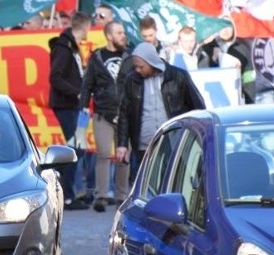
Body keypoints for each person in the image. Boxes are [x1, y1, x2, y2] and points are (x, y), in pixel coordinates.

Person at [116, 42, 205, 169]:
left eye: (141, 66)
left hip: (175, 139)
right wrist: (122, 144)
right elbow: (124, 113)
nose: (137, 70)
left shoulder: (177, 76)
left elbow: (198, 107)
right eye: (135, 67)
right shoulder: (132, 81)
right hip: (145, 144)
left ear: (151, 62)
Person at [80, 20, 131, 212]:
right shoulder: (98, 57)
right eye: (119, 33)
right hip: (103, 112)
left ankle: (121, 196)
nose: (123, 35)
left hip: (125, 113)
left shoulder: (130, 56)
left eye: (123, 32)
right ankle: (101, 195)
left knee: (123, 155)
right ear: (109, 36)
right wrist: (83, 107)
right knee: (102, 155)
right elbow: (87, 84)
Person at [49, 11, 92, 210]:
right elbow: (55, 77)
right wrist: (76, 93)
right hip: (66, 105)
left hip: (72, 106)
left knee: (78, 148)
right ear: (84, 27)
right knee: (74, 150)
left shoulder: (70, 48)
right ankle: (65, 195)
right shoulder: (64, 48)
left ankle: (71, 193)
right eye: (88, 29)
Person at [199, 20, 256, 104]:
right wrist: (213, 60)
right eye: (222, 27)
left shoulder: (242, 49)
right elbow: (199, 72)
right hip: (212, 100)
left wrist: (250, 101)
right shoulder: (207, 48)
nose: (225, 31)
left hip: (235, 99)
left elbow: (249, 78)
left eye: (228, 27)